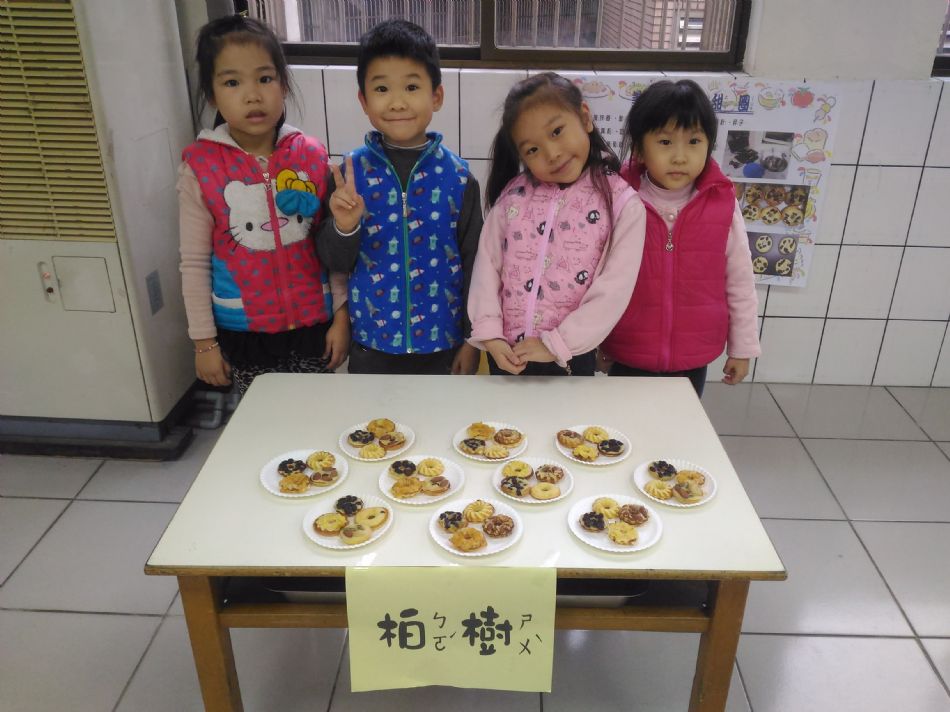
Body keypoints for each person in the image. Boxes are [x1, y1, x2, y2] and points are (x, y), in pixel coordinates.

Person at [178, 15, 362, 395]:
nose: (252, 95)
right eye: (232, 82)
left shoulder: (311, 156)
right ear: (212, 95)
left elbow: (331, 252)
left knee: (319, 416)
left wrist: (341, 318)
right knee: (262, 418)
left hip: (314, 327)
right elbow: (194, 263)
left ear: (283, 84)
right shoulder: (201, 167)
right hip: (244, 332)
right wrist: (204, 343)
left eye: (264, 78)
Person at [322, 19, 483, 375]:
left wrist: (472, 339)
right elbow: (333, 261)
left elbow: (476, 264)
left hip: (444, 342)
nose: (397, 103)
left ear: (436, 96)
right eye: (382, 89)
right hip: (372, 343)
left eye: (411, 87)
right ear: (364, 100)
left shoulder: (459, 177)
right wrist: (344, 227)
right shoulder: (349, 175)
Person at [467, 72, 647, 376]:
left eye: (557, 131)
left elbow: (613, 291)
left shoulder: (621, 203)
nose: (552, 154)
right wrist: (490, 334)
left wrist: (556, 344)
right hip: (506, 356)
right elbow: (487, 268)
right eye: (532, 150)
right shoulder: (513, 197)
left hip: (570, 358)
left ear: (585, 118)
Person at [599, 79, 761, 397]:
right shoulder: (619, 197)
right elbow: (599, 275)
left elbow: (741, 280)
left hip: (694, 352)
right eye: (665, 142)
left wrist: (742, 348)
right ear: (639, 149)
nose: (680, 157)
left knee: (681, 423)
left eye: (694, 141)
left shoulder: (722, 203)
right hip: (629, 346)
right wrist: (596, 340)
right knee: (625, 423)